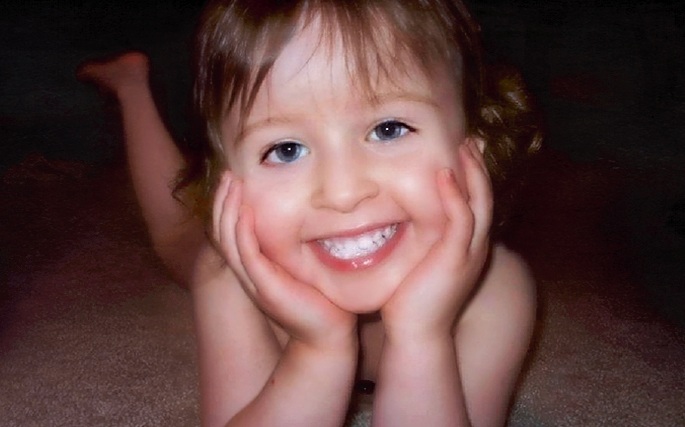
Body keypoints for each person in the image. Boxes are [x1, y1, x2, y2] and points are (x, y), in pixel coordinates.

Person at [79, 0, 542, 425]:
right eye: (286, 149)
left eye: (388, 128)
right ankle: (131, 87)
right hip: (257, 254)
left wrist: (421, 336)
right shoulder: (230, 278)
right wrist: (316, 351)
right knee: (177, 236)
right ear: (230, 186)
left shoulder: (496, 293)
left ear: (473, 151)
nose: (343, 194)